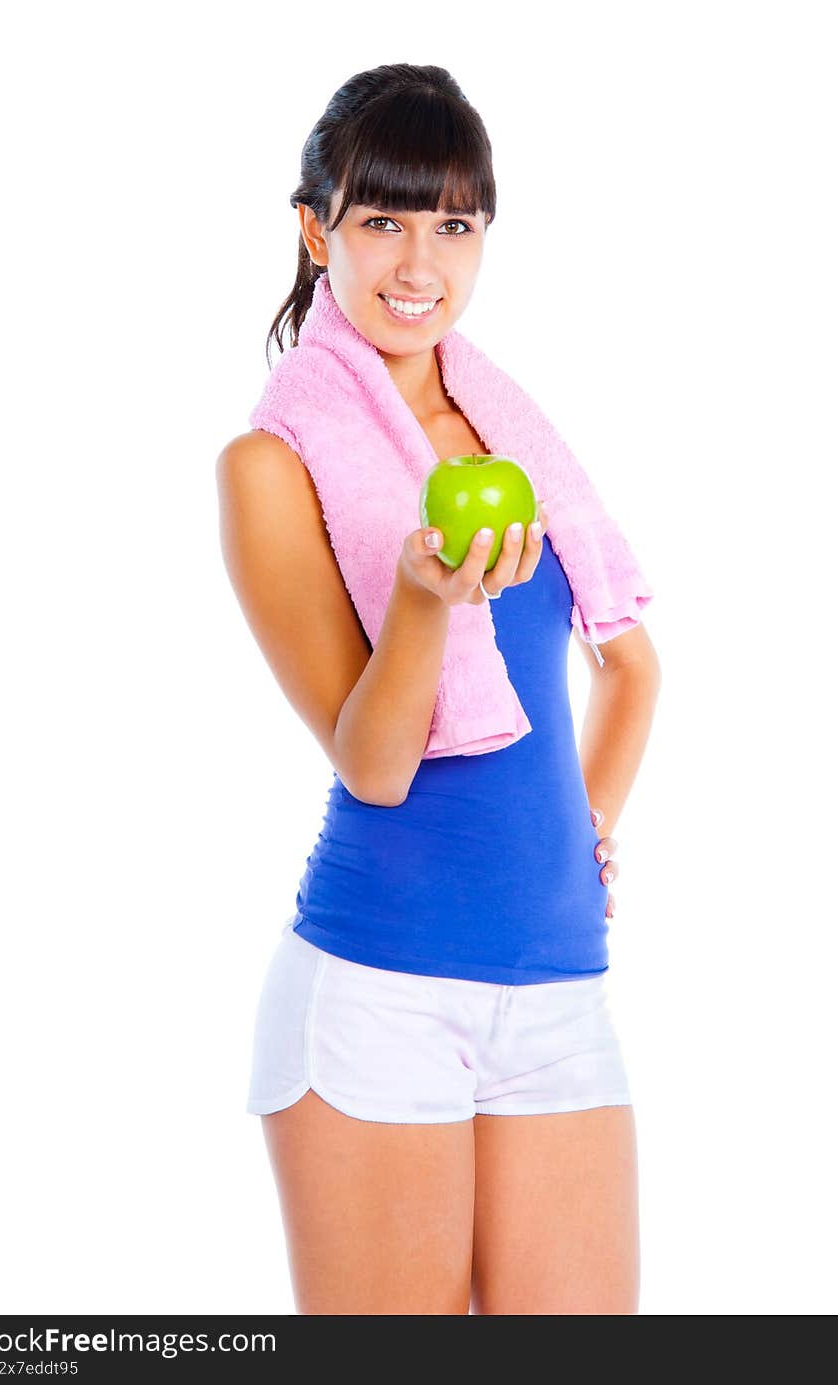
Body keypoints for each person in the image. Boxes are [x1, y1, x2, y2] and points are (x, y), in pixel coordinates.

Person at [216, 62, 661, 1315]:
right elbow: (372, 761)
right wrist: (422, 597)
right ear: (318, 231)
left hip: (560, 985)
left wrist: (583, 832)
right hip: (378, 991)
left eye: (453, 225)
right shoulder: (271, 462)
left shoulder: (514, 435)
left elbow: (630, 663)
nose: (420, 264)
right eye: (383, 222)